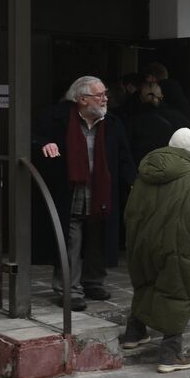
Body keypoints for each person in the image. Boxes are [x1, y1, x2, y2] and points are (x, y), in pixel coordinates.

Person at [118, 128, 190, 373]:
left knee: (146, 285)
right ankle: (170, 354)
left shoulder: (145, 172)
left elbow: (130, 211)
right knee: (177, 292)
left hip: (143, 243)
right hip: (179, 245)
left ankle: (134, 333)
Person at [34, 75, 136, 310]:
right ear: (82, 99)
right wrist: (44, 145)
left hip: (101, 192)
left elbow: (123, 157)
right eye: (99, 95)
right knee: (71, 240)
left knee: (98, 239)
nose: (105, 99)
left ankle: (94, 283)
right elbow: (34, 138)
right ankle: (69, 290)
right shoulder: (55, 118)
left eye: (104, 94)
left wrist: (133, 182)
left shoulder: (111, 122)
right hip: (69, 191)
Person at [125, 79, 190, 165]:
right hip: (174, 168)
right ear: (162, 96)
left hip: (145, 170)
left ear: (141, 98)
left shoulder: (133, 121)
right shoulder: (179, 118)